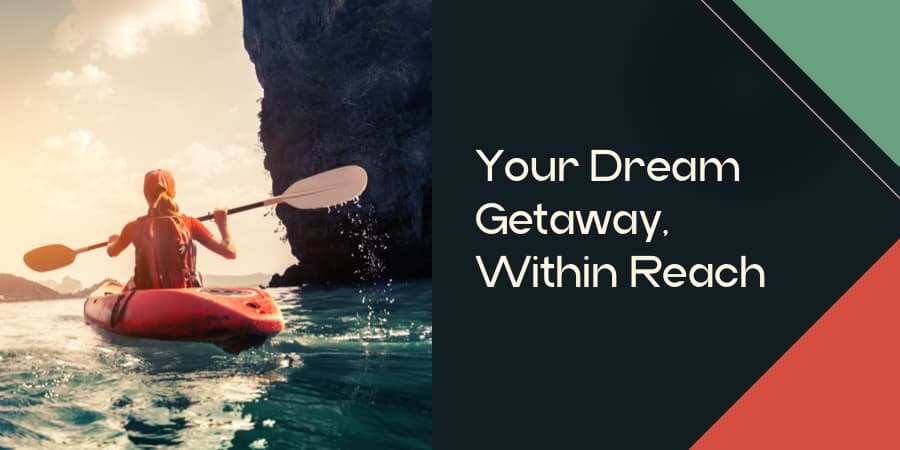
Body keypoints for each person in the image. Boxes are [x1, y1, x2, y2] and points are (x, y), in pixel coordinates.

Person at [107, 169, 236, 289]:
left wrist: (113, 241)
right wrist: (221, 223)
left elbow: (112, 252)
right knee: (197, 275)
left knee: (131, 283)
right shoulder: (190, 223)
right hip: (185, 292)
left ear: (146, 195)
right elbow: (230, 252)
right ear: (173, 193)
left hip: (146, 294)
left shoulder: (133, 227)